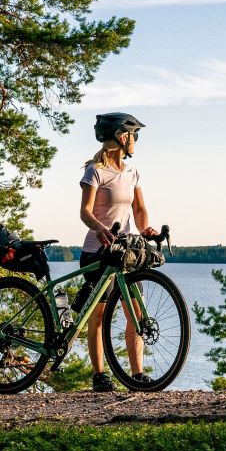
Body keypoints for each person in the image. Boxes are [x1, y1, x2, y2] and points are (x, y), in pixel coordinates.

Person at [78, 111, 157, 391]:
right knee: (99, 316)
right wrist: (99, 228)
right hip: (97, 252)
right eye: (133, 135)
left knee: (135, 311)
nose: (135, 140)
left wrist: (146, 229)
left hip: (125, 252)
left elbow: (139, 209)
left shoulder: (133, 173)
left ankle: (137, 374)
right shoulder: (95, 171)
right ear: (122, 137)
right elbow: (85, 213)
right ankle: (99, 375)